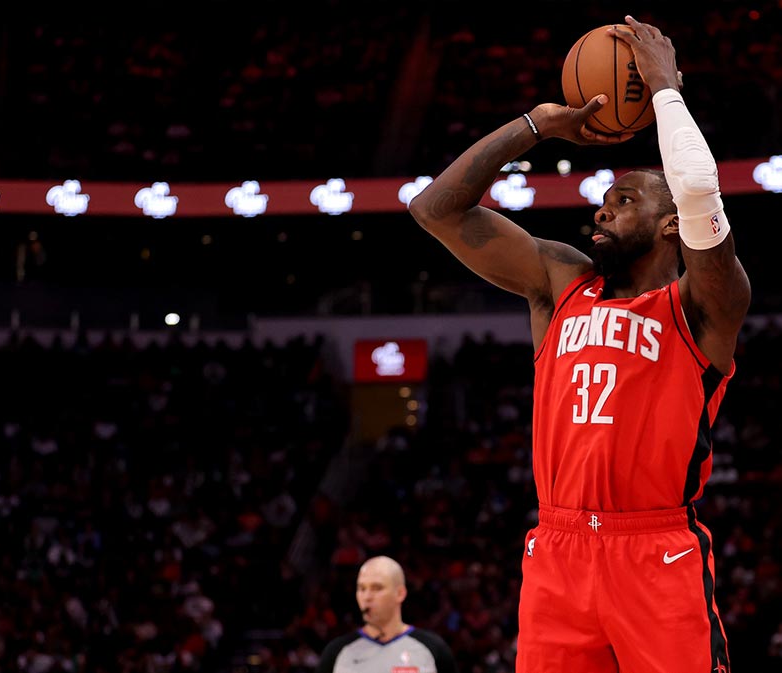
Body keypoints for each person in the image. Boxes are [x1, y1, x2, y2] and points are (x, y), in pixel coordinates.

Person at [409, 15, 750, 673]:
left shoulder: (701, 306)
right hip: (558, 552)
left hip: (656, 551)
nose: (602, 209)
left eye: (623, 201)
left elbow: (702, 191)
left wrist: (665, 93)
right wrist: (534, 126)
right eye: (602, 200)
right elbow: (436, 210)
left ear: (669, 225)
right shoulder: (559, 283)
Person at [316, 556, 457, 673]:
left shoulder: (433, 649)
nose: (367, 596)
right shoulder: (337, 652)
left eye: (377, 588)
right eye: (361, 588)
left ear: (400, 593)